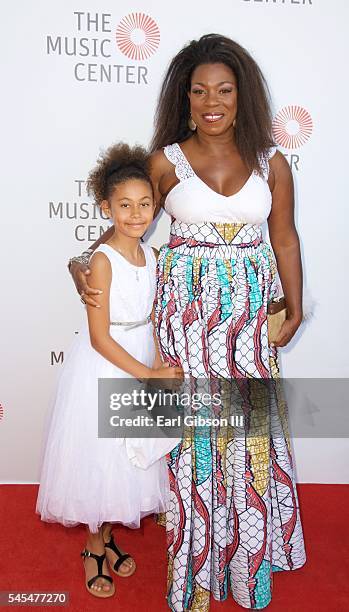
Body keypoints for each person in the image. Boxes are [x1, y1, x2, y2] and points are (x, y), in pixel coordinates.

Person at [69, 35, 306, 611]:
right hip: (186, 320)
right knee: (195, 441)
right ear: (185, 96)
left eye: (223, 89)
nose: (211, 101)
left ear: (242, 94)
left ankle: (247, 563)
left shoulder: (269, 162)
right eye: (199, 90)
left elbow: (284, 237)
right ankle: (197, 567)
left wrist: (295, 305)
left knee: (248, 437)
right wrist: (81, 262)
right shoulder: (164, 163)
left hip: (249, 322)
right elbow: (128, 226)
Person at [36, 143, 183, 599]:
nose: (136, 214)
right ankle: (93, 549)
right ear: (106, 207)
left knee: (125, 463)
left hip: (141, 358)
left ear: (156, 207)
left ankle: (109, 535)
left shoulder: (153, 257)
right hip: (106, 367)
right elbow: (100, 338)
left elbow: (152, 317)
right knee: (98, 461)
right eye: (124, 205)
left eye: (144, 204)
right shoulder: (102, 261)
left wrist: (159, 362)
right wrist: (148, 374)